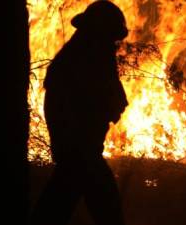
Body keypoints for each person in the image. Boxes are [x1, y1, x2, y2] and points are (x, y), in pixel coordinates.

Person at [30, 1, 129, 225]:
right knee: (105, 206)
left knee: (57, 205)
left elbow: (114, 100)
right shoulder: (86, 58)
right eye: (111, 35)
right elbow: (103, 101)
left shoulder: (82, 56)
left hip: (79, 152)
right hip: (81, 151)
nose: (114, 43)